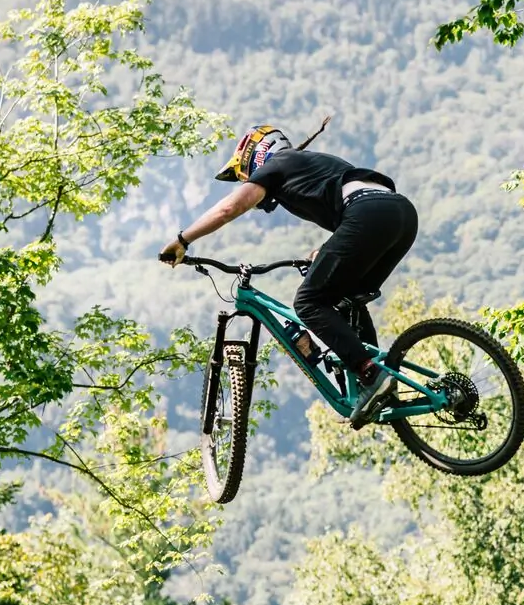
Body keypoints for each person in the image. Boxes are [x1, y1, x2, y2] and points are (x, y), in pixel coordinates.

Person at [160, 124, 418, 428]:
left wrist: (183, 240)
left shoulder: (277, 165)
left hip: (369, 213)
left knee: (308, 302)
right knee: (345, 299)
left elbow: (230, 207)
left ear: (256, 156)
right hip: (400, 215)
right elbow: (353, 205)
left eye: (246, 175)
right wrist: (323, 252)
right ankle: (375, 382)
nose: (248, 182)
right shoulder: (309, 163)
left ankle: (370, 373)